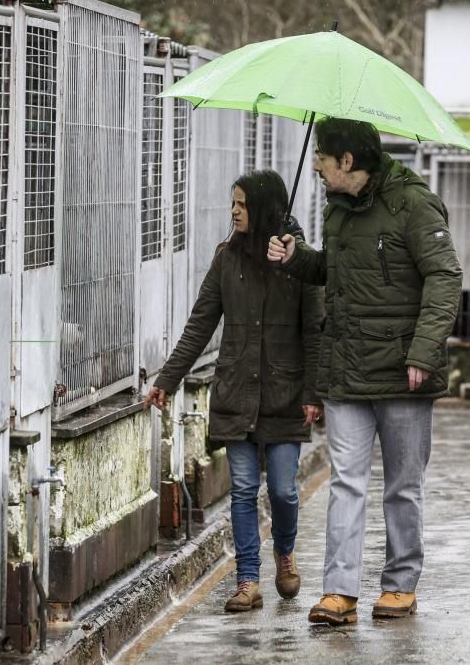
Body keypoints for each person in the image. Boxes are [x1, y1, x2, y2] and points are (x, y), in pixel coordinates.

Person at [268, 118, 462, 624]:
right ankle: (339, 592)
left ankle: (400, 585)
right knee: (346, 482)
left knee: (401, 485)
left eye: (322, 161)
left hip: (403, 372)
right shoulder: (337, 210)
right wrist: (295, 257)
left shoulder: (413, 204)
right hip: (347, 369)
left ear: (347, 162)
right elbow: (331, 272)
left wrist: (423, 350)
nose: (315, 168)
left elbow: (445, 276)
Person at [145, 169, 324, 613]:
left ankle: (284, 553)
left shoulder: (301, 264)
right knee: (243, 488)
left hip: (284, 396)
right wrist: (167, 379)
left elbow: (316, 335)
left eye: (241, 204)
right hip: (236, 394)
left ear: (262, 208)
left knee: (282, 490)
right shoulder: (227, 259)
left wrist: (313, 393)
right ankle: (247, 579)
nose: (233, 211)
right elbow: (200, 323)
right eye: (233, 203)